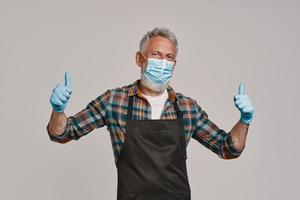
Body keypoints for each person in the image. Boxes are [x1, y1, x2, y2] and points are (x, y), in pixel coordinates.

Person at [46, 27, 254, 200]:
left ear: (175, 64)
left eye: (169, 57)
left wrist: (244, 121)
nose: (163, 62)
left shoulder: (187, 108)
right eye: (156, 55)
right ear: (140, 58)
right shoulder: (114, 101)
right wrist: (58, 110)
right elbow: (62, 133)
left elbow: (227, 148)